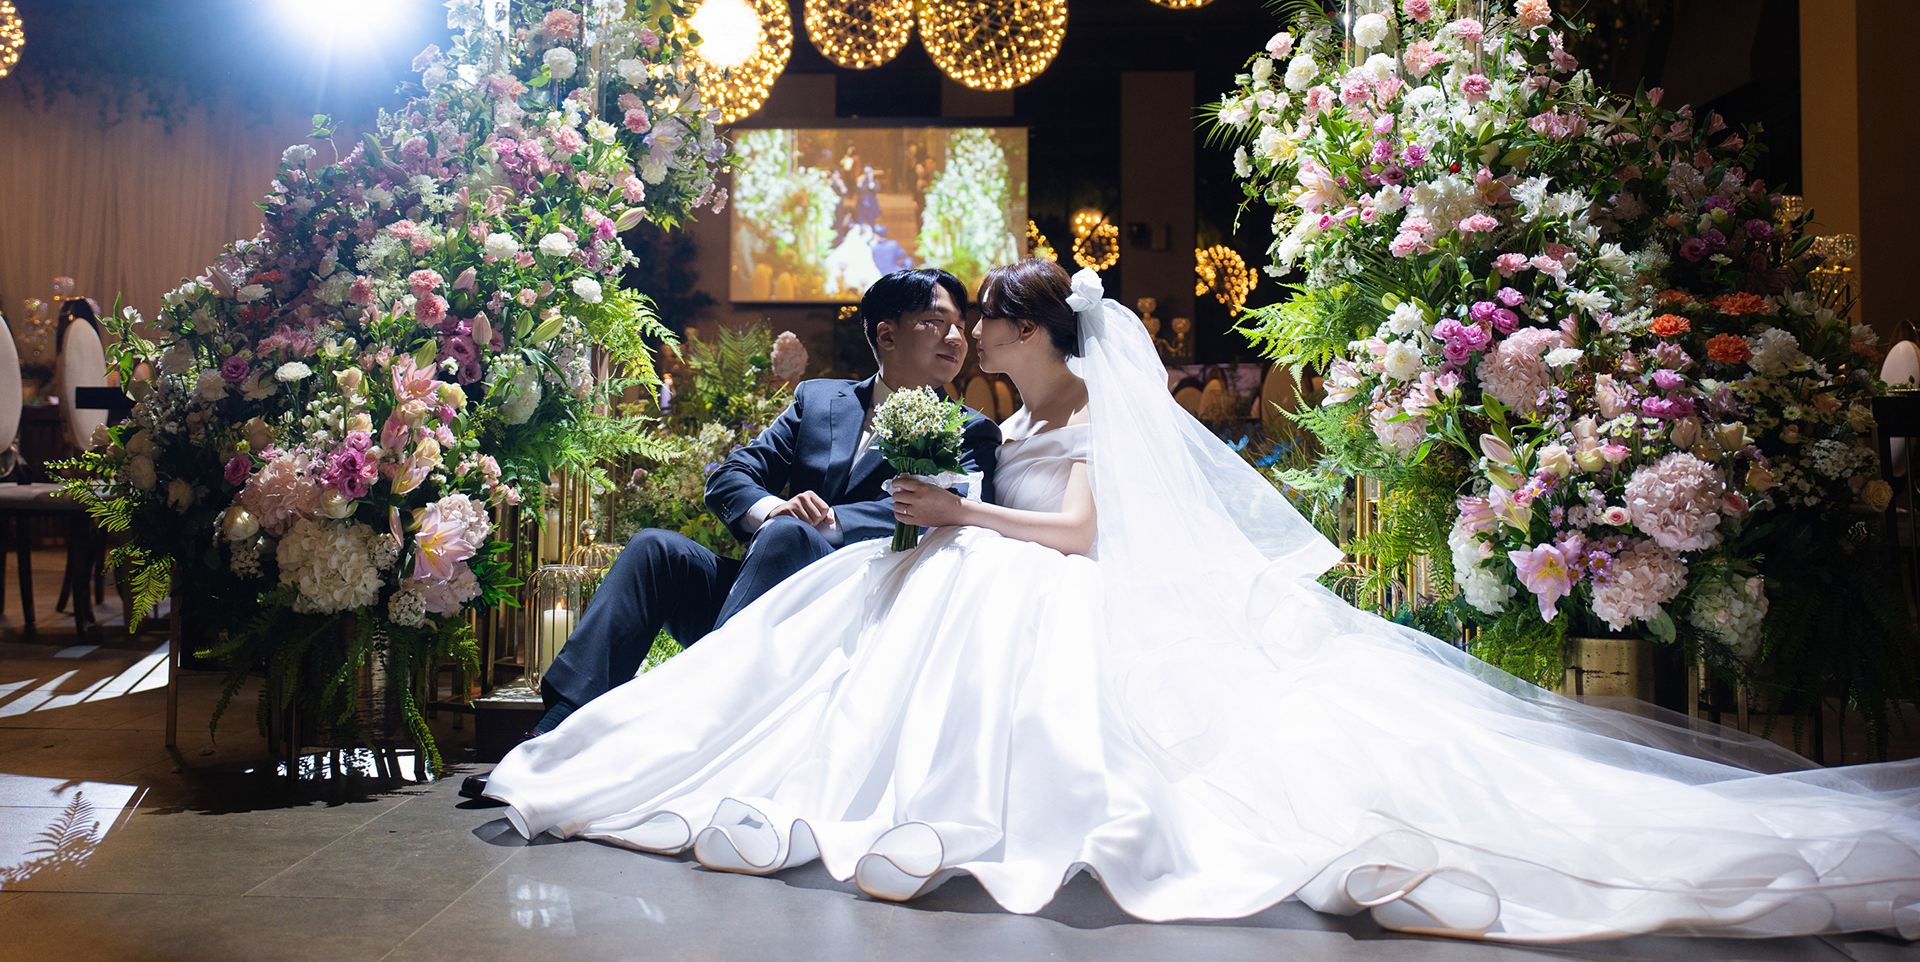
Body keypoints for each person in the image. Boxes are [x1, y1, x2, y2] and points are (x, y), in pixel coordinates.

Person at [485, 261, 1920, 942]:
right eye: (954, 321)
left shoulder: (1072, 414)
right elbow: (842, 483)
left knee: (981, 636)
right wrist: (904, 512)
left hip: (1026, 569)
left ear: (1037, 333)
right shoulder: (983, 413)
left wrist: (959, 514)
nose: (966, 334)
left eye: (985, 320)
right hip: (921, 560)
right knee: (852, 603)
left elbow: (1083, 534)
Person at [460, 269, 1000, 800]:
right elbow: (730, 476)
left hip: (854, 617)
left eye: (961, 324)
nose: (957, 338)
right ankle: (551, 736)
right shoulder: (819, 401)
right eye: (937, 322)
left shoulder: (968, 431)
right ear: (887, 334)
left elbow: (952, 513)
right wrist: (773, 508)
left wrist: (828, 522)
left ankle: (683, 722)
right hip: (758, 599)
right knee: (655, 549)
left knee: (790, 536)